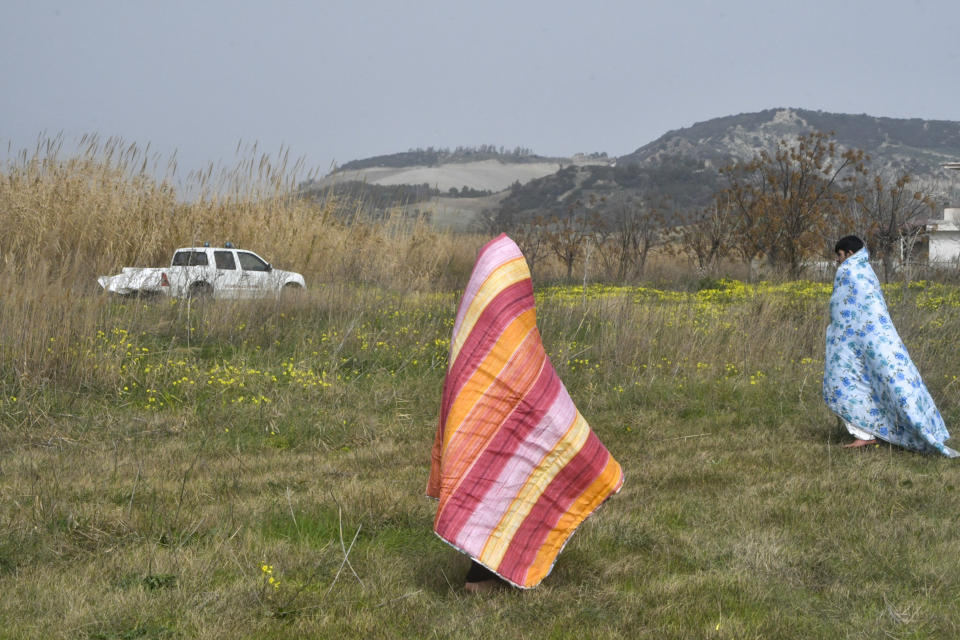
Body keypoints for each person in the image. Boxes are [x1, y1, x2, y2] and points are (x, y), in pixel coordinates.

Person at [427, 234, 624, 591]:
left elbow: (531, 381)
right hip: (485, 418)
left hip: (479, 421)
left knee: (495, 479)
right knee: (501, 477)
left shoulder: (475, 323)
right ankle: (483, 576)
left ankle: (485, 571)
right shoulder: (494, 329)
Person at [823, 235, 957, 456]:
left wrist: (839, 335)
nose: (838, 261)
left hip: (851, 340)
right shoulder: (867, 271)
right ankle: (874, 431)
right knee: (884, 382)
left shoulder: (848, 271)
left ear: (849, 254)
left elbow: (840, 307)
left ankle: (865, 434)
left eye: (839, 255)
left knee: (845, 381)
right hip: (878, 338)